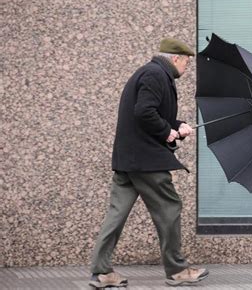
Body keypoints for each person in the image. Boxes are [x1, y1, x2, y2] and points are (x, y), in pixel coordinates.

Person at [89, 37, 209, 288]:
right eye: (187, 62)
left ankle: (102, 272)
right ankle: (177, 271)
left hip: (129, 160)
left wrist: (178, 126)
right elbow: (144, 112)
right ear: (176, 59)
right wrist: (167, 132)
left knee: (116, 214)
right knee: (170, 207)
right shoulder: (155, 75)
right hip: (146, 161)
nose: (187, 68)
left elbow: (152, 113)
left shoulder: (150, 73)